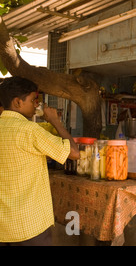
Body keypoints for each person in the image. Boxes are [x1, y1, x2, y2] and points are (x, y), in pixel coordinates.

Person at [0, 76, 80, 246]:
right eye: (32, 100)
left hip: (3, 227)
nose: (36, 104)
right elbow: (74, 153)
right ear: (17, 102)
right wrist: (56, 121)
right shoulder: (30, 130)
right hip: (29, 226)